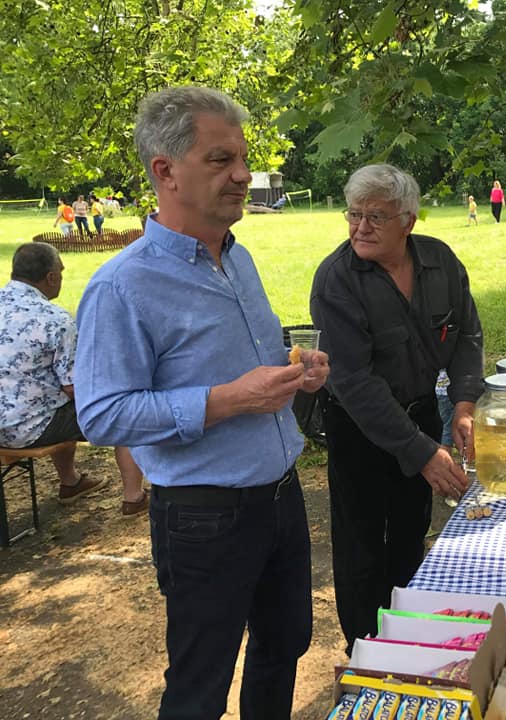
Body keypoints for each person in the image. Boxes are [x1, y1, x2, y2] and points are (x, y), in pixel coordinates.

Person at [73, 86, 329, 719]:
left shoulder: (238, 260)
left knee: (284, 644)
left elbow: (247, 364)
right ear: (165, 171)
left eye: (242, 159)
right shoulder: (121, 286)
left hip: (281, 494)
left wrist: (296, 371)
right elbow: (101, 414)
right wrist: (225, 400)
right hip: (204, 515)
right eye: (221, 160)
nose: (242, 175)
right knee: (200, 687)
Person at [310, 163, 484, 656]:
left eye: (376, 217)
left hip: (422, 412)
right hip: (358, 428)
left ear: (408, 220)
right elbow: (355, 383)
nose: (360, 227)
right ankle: (366, 651)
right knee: (361, 544)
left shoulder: (440, 262)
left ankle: (407, 636)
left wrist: (464, 404)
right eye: (354, 214)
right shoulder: (336, 280)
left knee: (411, 530)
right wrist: (422, 452)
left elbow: (467, 335)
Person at [0, 243, 146, 515]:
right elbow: (76, 389)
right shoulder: (55, 319)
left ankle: (71, 482)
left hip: (4, 424)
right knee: (124, 410)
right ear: (51, 277)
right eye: (61, 272)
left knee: (53, 401)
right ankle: (133, 497)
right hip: (29, 429)